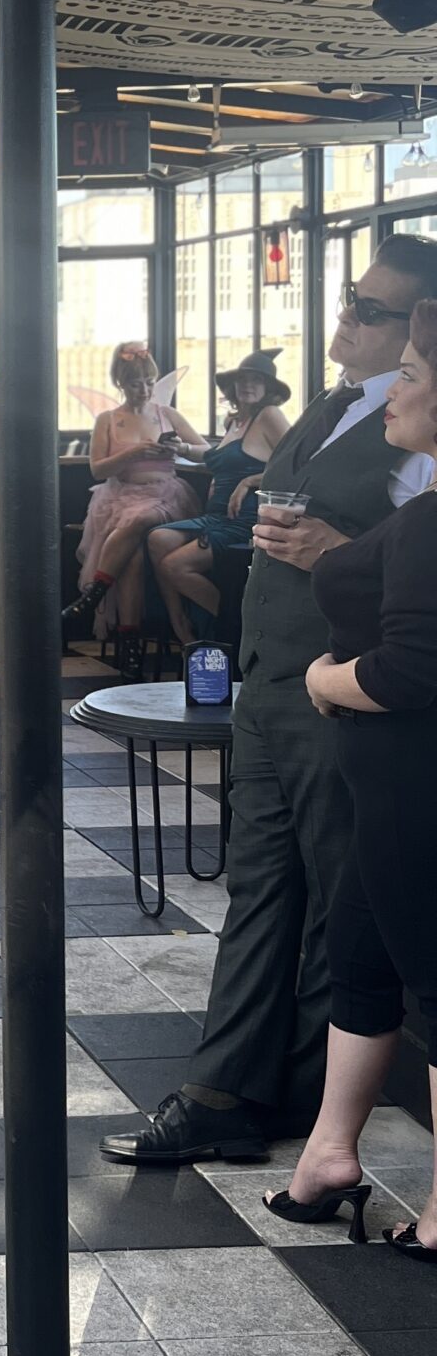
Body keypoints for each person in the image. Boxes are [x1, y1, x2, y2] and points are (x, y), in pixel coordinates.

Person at [104, 236, 437, 1167]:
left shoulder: (414, 425)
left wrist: (336, 548)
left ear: (419, 327)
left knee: (338, 903)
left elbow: (420, 575)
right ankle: (226, 1089)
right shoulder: (335, 404)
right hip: (268, 678)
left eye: (373, 310)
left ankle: (297, 1099)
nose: (348, 316)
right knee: (258, 886)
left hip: (343, 693)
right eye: (351, 296)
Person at [263, 296, 437, 1252]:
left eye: (408, 376)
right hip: (386, 787)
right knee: (360, 963)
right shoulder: (422, 510)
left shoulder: (432, 523)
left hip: (417, 788)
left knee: (432, 983)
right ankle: (329, 1157)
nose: (392, 394)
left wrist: (325, 680)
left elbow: (410, 672)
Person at [148, 350, 291, 647]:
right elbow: (213, 455)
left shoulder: (269, 416)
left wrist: (248, 482)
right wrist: (181, 448)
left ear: (268, 388)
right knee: (158, 538)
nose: (248, 385)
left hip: (245, 520)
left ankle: (240, 625)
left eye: (256, 380)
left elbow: (296, 464)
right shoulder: (234, 422)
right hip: (216, 516)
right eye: (242, 379)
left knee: (174, 566)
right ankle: (181, 626)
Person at [66, 343, 205, 644]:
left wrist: (181, 448)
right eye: (135, 384)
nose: (144, 390)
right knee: (133, 558)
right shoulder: (107, 419)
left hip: (167, 496)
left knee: (141, 518)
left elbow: (206, 452)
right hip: (119, 497)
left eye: (149, 383)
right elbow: (97, 470)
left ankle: (94, 593)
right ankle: (129, 643)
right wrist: (133, 453)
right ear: (120, 383)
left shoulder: (167, 414)